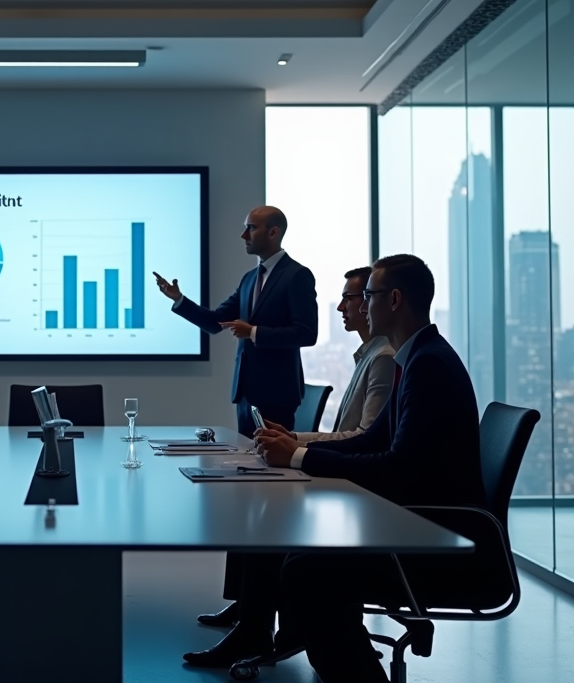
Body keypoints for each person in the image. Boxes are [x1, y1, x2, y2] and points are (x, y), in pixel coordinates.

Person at [198, 255, 484, 682]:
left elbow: (399, 466)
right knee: (297, 556)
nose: (361, 306)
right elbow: (374, 441)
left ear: (395, 299)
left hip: (433, 537)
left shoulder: (426, 366)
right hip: (417, 522)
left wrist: (296, 456)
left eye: (368, 296)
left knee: (305, 569)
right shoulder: (418, 357)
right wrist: (296, 450)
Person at [194, 265, 397, 631]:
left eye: (354, 298)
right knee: (255, 497)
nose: (343, 308)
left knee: (264, 508)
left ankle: (254, 626)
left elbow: (364, 437)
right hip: (348, 473)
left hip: (359, 488)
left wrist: (296, 447)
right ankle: (248, 613)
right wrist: (292, 437)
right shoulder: (368, 355)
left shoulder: (383, 359)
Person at [154, 206, 318, 438]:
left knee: (271, 468)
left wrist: (253, 332)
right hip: (245, 395)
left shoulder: (297, 275)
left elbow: (306, 333)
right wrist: (179, 300)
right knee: (247, 464)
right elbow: (214, 322)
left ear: (273, 233)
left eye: (251, 228)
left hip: (277, 395)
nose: (244, 236)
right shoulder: (249, 279)